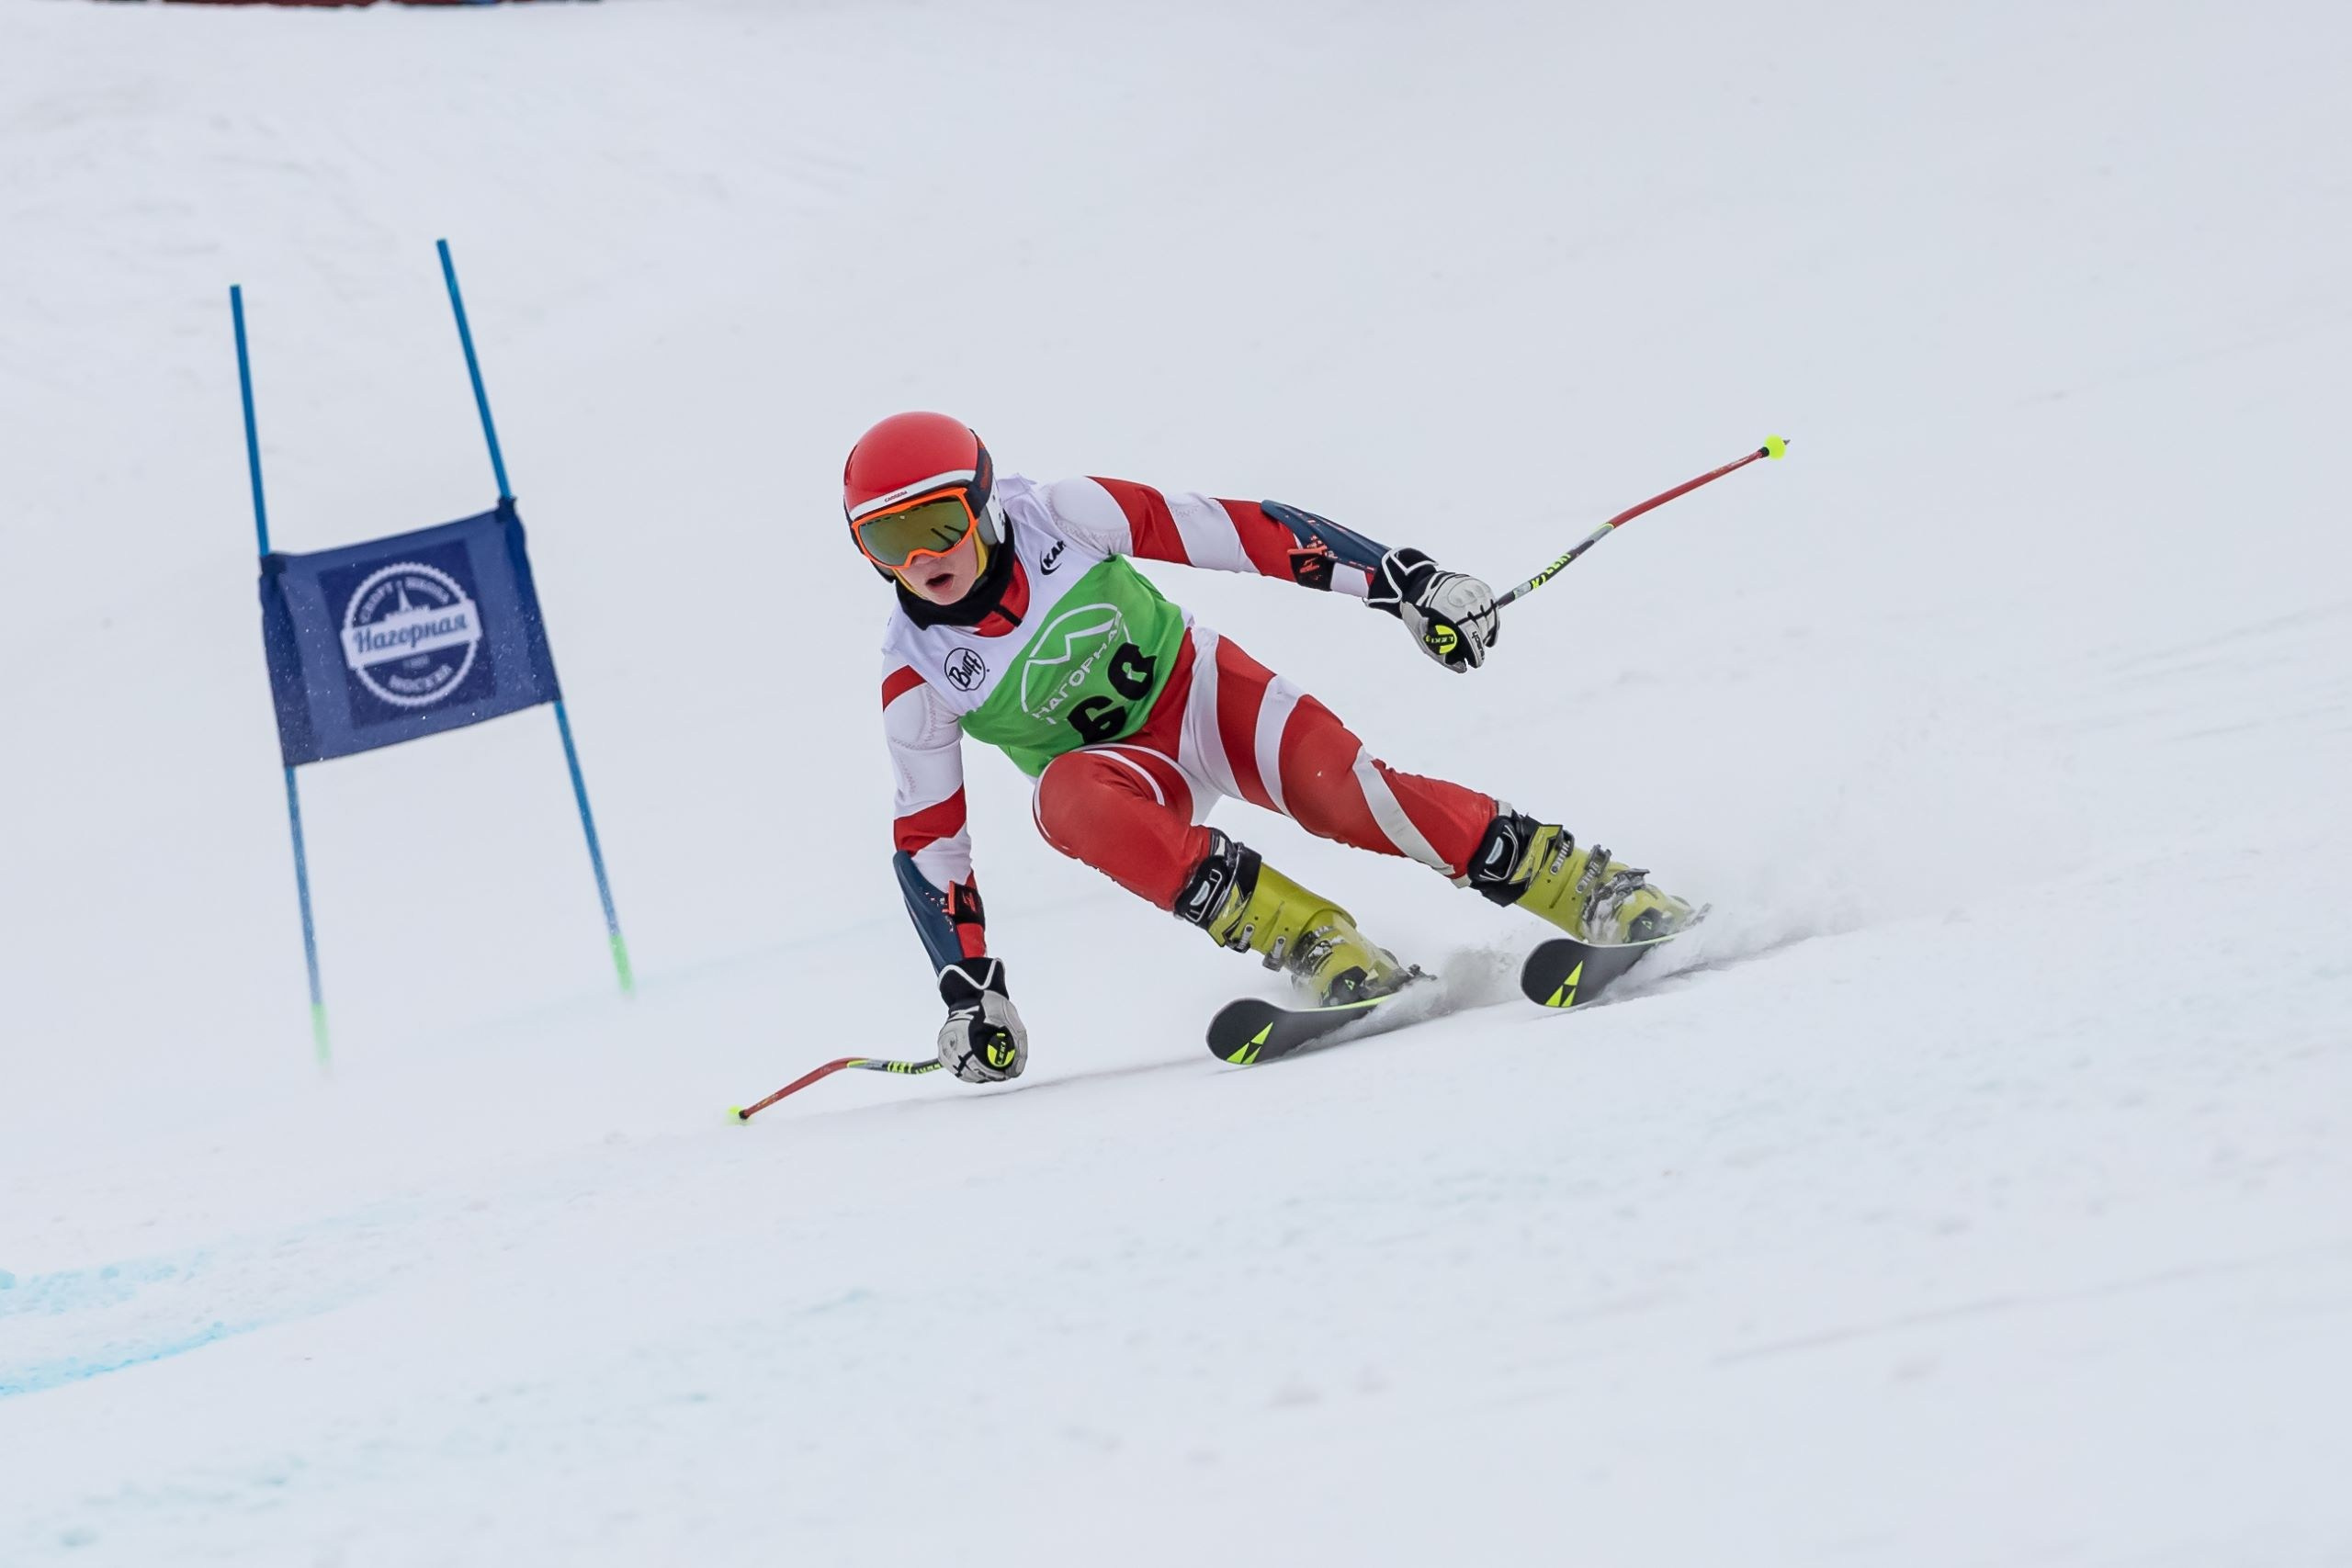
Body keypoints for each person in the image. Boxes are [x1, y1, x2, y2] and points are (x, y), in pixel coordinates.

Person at [853, 412, 1696, 1084]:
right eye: (889, 541)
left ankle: (1593, 889)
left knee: (1351, 798)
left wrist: (1404, 582)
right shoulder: (916, 676)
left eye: (939, 521)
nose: (923, 557)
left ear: (986, 501)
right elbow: (931, 844)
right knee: (1062, 801)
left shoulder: (1065, 515)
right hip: (1126, 776)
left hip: (1204, 698)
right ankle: (1321, 949)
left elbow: (1235, 531)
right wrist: (970, 992)